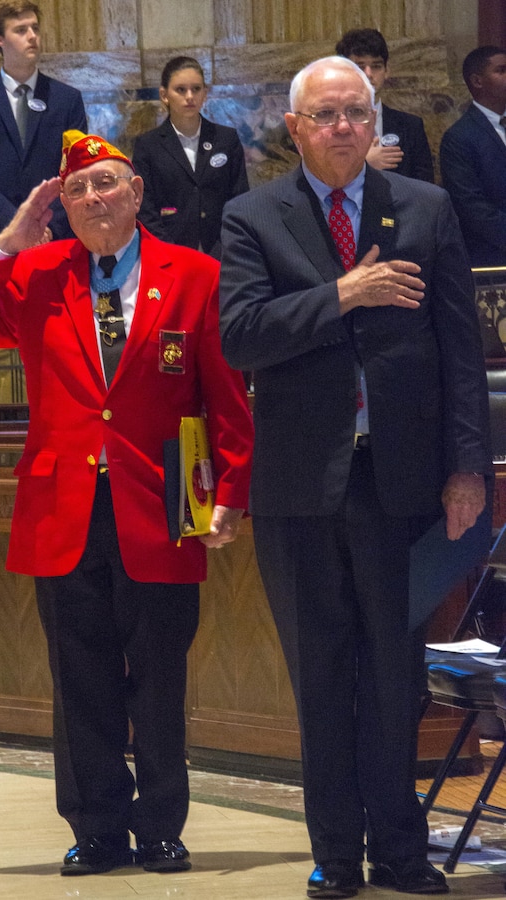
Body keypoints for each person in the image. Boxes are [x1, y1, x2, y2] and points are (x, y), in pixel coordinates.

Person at [0, 130, 253, 877]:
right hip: (64, 505)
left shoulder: (195, 274)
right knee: (79, 682)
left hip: (164, 500)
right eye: (76, 191)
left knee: (160, 677)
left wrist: (229, 495)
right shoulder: (39, 271)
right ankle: (97, 829)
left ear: (137, 191)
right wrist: (12, 238)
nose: (91, 200)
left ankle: (161, 828)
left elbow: (224, 397)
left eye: (105, 185)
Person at [219, 56, 492, 898]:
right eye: (324, 114)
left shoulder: (426, 207)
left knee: (393, 677)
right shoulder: (250, 216)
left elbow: (459, 351)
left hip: (400, 484)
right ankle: (336, 855)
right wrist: (343, 293)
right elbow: (241, 336)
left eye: (355, 112)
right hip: (301, 488)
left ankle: (400, 855)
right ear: (293, 127)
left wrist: (466, 468)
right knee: (322, 674)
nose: (342, 126)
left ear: (375, 122)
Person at [0, 2, 87, 253]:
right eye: (21, 30)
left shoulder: (67, 99)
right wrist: (19, 225)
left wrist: (45, 226)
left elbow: (77, 169)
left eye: (35, 28)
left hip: (56, 235)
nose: (32, 36)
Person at [132, 55, 249, 260]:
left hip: (222, 250)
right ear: (164, 95)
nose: (189, 96)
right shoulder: (148, 146)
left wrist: (225, 246)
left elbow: (239, 198)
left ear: (205, 93)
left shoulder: (225, 139)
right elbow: (144, 206)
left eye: (196, 89)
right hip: (169, 250)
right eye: (180, 89)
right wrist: (169, 251)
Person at [336, 28, 434, 182]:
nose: (368, 74)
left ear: (387, 70)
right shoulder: (329, 124)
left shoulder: (410, 126)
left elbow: (426, 188)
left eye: (376, 66)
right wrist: (363, 166)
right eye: (360, 67)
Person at [439, 45, 506, 267]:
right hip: (492, 257)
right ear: (477, 81)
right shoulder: (459, 138)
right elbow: (470, 205)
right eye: (501, 70)